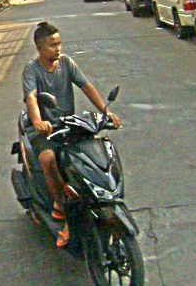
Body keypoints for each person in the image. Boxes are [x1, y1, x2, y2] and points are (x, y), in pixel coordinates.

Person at [22, 21, 122, 247]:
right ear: (39, 48)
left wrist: (106, 111)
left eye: (59, 43)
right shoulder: (31, 70)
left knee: (88, 156)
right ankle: (61, 205)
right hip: (45, 129)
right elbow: (31, 98)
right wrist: (38, 121)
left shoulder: (66, 63)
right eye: (52, 45)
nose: (58, 48)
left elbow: (86, 86)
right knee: (48, 158)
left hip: (67, 124)